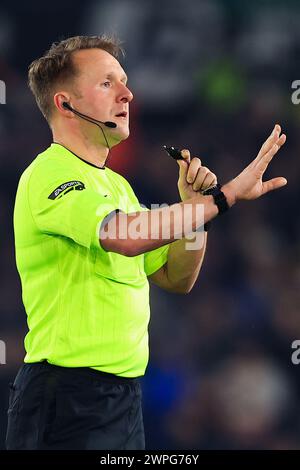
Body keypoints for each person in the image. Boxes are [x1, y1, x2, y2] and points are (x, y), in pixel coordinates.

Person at [6, 35, 287, 450]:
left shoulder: (117, 186)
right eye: (107, 83)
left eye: (124, 80)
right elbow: (123, 237)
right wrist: (222, 198)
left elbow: (176, 277)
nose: (128, 93)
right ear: (65, 104)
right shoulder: (49, 173)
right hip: (66, 397)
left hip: (121, 398)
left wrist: (193, 213)